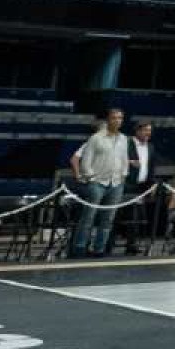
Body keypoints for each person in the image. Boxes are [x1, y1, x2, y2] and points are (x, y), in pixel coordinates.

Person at [68, 108, 128, 258]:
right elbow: (85, 161)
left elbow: (124, 159)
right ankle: (80, 248)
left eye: (120, 118)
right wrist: (91, 177)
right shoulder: (96, 138)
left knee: (108, 219)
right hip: (97, 183)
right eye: (114, 118)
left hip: (116, 183)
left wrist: (123, 175)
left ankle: (99, 249)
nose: (117, 121)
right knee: (89, 217)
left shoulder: (124, 139)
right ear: (108, 120)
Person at [120, 120, 160, 256]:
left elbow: (151, 168)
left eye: (150, 130)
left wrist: (153, 183)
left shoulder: (151, 147)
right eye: (145, 130)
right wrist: (129, 162)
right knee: (128, 215)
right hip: (126, 185)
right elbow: (116, 160)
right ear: (137, 131)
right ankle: (123, 244)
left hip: (143, 186)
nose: (148, 133)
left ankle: (133, 244)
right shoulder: (126, 143)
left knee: (139, 217)